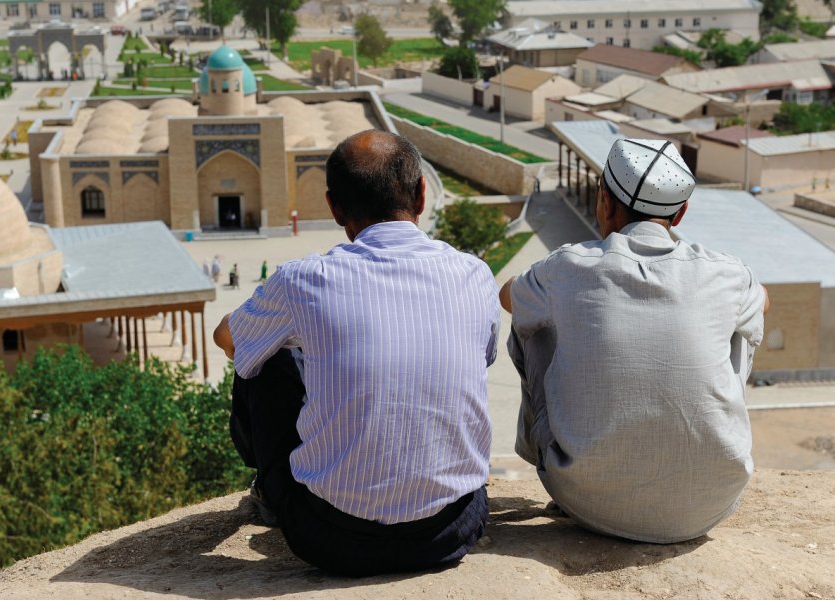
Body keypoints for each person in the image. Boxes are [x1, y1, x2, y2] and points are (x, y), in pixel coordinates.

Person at [213, 130, 500, 576]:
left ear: (334, 207)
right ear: (422, 193)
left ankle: (270, 494)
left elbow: (226, 337)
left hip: (328, 537)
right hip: (452, 529)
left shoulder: (303, 280)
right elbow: (482, 358)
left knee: (262, 355)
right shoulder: (475, 275)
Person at [500, 139, 769, 544]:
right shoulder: (727, 273)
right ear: (680, 213)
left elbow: (507, 296)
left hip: (586, 501)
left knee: (532, 323)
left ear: (604, 202)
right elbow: (764, 300)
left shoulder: (568, 266)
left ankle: (555, 455)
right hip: (710, 504)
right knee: (742, 322)